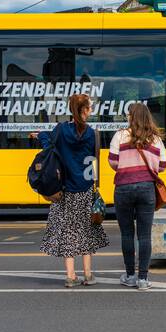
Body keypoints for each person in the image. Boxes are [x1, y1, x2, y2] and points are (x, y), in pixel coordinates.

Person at [38, 93, 108, 287]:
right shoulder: (92, 133)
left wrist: (41, 136)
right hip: (85, 189)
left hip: (65, 190)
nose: (92, 110)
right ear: (84, 110)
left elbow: (48, 144)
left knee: (68, 231)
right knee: (86, 230)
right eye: (90, 107)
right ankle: (88, 274)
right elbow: (94, 159)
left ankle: (70, 276)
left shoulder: (61, 130)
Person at [108, 102, 166, 290]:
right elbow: (162, 166)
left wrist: (127, 164)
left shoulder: (120, 135)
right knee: (144, 235)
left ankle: (130, 276)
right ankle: (143, 279)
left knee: (127, 234)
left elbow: (113, 162)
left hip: (123, 187)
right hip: (146, 188)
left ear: (131, 116)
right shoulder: (156, 139)